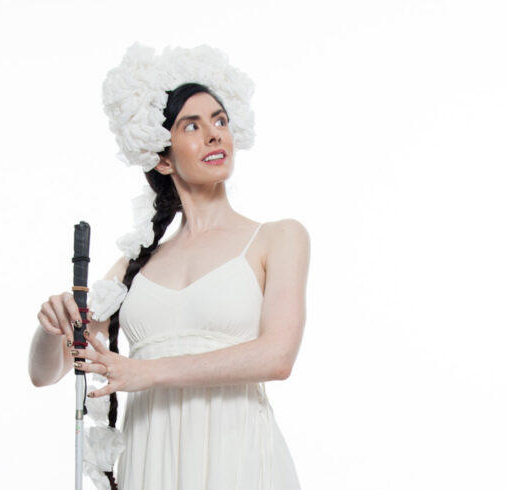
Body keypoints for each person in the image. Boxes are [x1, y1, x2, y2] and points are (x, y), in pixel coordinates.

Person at [28, 44, 310, 490]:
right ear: (162, 156)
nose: (215, 135)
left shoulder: (279, 237)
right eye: (191, 126)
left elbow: (277, 357)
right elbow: (45, 374)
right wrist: (49, 327)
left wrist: (148, 372)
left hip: (236, 455)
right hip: (152, 458)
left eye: (220, 120)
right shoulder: (133, 266)